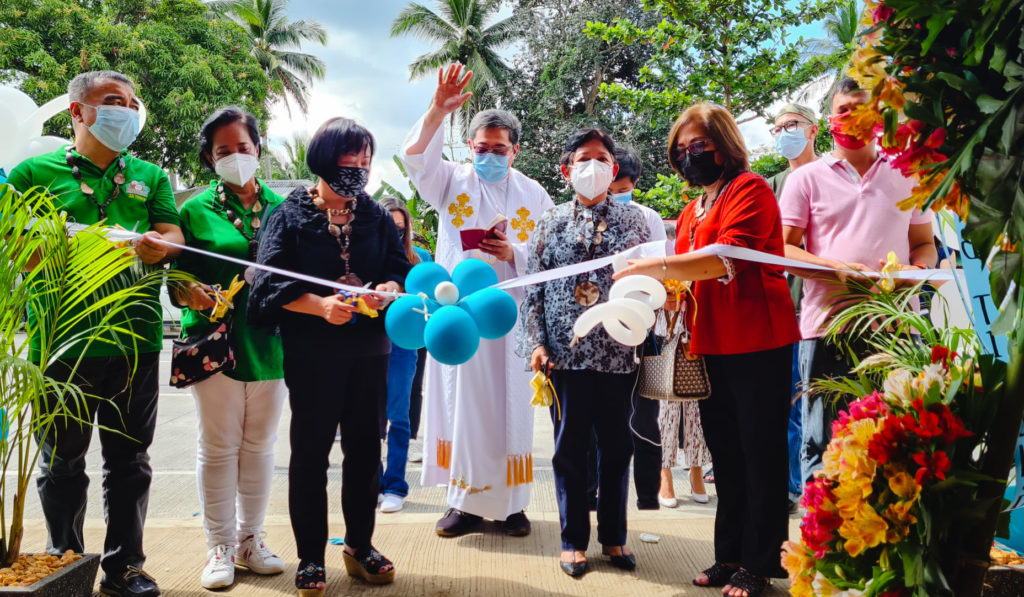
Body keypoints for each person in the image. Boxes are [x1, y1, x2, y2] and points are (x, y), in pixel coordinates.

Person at [6, 70, 182, 597]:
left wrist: (161, 245)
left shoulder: (150, 176)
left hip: (135, 339)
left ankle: (125, 566)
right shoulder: (32, 173)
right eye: (111, 102)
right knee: (61, 463)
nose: (125, 111)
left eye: (130, 102)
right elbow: (12, 245)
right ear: (76, 112)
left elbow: (172, 231)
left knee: (130, 462)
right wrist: (54, 249)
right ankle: (67, 565)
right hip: (62, 344)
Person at [615, 102, 800, 597]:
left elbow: (722, 259)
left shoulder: (750, 189)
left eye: (700, 145)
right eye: (682, 149)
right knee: (726, 454)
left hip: (759, 339)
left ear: (725, 143)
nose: (691, 155)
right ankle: (730, 556)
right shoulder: (693, 207)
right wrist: (666, 287)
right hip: (712, 341)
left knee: (760, 454)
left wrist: (655, 269)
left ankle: (762, 564)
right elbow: (689, 275)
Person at [248, 117, 410, 593]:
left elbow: (399, 270)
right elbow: (268, 284)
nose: (358, 169)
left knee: (365, 451)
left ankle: (360, 546)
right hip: (312, 353)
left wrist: (387, 289)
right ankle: (311, 557)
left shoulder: (377, 216)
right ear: (322, 159)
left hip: (368, 351)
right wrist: (319, 306)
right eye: (349, 159)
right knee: (310, 454)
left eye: (365, 160)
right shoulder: (290, 214)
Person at [399, 64, 554, 537]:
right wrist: (436, 110)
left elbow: (548, 256)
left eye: (499, 150)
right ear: (470, 147)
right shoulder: (451, 181)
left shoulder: (535, 193)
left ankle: (511, 507)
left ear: (515, 150)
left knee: (509, 409)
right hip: (458, 316)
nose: (490, 156)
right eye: (482, 149)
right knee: (460, 404)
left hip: (508, 320)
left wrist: (515, 252)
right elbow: (414, 159)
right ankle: (461, 503)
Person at [778, 79, 938, 484]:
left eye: (860, 108)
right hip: (827, 328)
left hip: (897, 329)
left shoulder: (908, 173)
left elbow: (923, 245)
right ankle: (822, 544)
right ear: (830, 120)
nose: (851, 118)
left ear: (879, 115)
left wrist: (917, 273)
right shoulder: (805, 179)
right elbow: (784, 249)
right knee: (823, 449)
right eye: (843, 109)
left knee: (899, 447)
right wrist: (835, 270)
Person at [521, 128, 650, 578]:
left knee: (617, 447)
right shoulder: (549, 222)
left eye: (601, 158)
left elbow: (650, 285)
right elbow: (532, 290)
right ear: (566, 169)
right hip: (565, 355)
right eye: (582, 158)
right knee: (569, 450)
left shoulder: (636, 223)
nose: (591, 165)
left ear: (614, 169)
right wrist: (537, 343)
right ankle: (573, 540)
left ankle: (613, 537)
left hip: (618, 353)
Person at [174, 106, 287, 589]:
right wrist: (191, 294)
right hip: (214, 340)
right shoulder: (193, 210)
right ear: (209, 157)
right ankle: (218, 546)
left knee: (260, 446)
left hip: (271, 341)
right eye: (224, 151)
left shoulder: (286, 207)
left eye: (243, 148)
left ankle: (251, 539)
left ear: (258, 150)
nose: (236, 157)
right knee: (218, 447)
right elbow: (174, 279)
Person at [767, 102, 820, 511]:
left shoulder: (829, 176)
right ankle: (788, 485)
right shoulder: (771, 185)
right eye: (778, 127)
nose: (785, 132)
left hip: (822, 307)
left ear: (814, 130)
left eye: (792, 125)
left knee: (815, 401)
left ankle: (812, 487)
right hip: (783, 310)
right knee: (786, 403)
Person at [376, 196, 430, 513]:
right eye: (388, 226)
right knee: (368, 419)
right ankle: (373, 483)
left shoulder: (419, 260)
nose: (395, 234)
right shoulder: (364, 257)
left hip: (403, 347)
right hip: (367, 344)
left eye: (400, 228)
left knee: (399, 417)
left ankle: (395, 485)